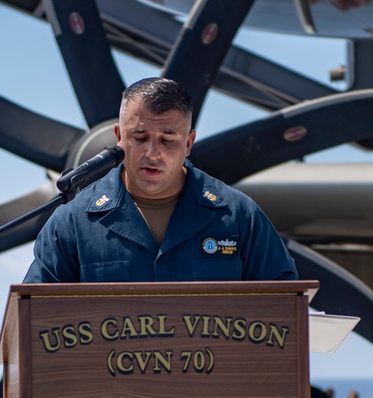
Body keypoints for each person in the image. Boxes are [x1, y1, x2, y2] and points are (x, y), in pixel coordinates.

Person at [23, 77, 298, 283]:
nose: (152, 153)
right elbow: (34, 322)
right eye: (140, 138)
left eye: (168, 140)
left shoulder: (239, 217)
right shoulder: (73, 224)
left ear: (189, 143)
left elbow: (284, 309)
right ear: (118, 136)